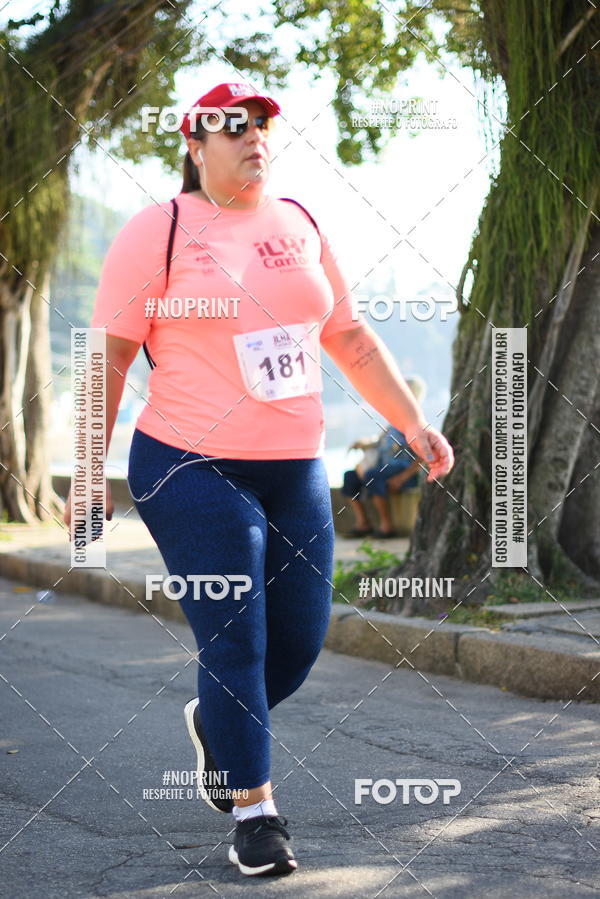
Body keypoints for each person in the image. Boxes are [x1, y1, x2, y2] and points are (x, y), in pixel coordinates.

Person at [63, 82, 454, 878]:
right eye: (232, 127)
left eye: (263, 125)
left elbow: (346, 334)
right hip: (186, 464)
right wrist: (87, 478)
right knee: (234, 631)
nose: (254, 138)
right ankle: (256, 812)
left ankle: (218, 723)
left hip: (294, 469)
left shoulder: (299, 224)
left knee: (299, 641)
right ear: (194, 145)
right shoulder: (158, 231)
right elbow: (104, 359)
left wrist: (410, 422)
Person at [341, 377, 425, 538]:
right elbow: (379, 442)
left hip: (404, 471)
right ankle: (363, 523)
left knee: (372, 475)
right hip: (385, 469)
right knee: (350, 476)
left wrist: (402, 477)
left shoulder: (415, 422)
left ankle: (387, 526)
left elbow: (423, 456)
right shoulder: (394, 422)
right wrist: (363, 443)